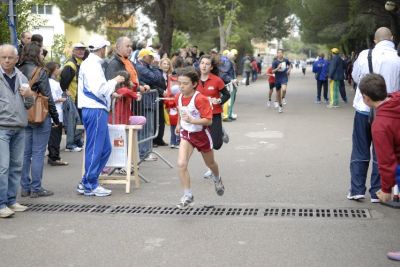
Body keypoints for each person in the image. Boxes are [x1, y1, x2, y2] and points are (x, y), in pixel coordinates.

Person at [348, 27, 400, 202]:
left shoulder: (364, 55)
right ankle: (378, 191)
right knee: (382, 151)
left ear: (375, 40)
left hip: (364, 108)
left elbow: (356, 77)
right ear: (392, 38)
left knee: (360, 149)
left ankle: (356, 190)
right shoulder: (398, 58)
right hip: (387, 112)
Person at [358, 74, 400, 261]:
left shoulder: (380, 125)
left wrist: (385, 189)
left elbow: (386, 161)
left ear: (366, 98)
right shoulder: (397, 99)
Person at [76, 37, 125, 197]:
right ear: (101, 48)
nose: (105, 51)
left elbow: (97, 89)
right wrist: (115, 81)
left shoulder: (89, 63)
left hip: (94, 109)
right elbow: (101, 89)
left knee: (103, 149)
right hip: (95, 109)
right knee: (97, 149)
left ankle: (88, 181)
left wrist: (110, 89)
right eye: (105, 48)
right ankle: (89, 183)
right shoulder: (93, 65)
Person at [175, 69, 224, 209]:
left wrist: (192, 121)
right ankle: (188, 195)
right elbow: (180, 110)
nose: (181, 86)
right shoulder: (178, 96)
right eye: (180, 83)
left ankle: (217, 178)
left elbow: (208, 121)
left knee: (211, 164)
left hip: (201, 134)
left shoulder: (200, 99)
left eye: (185, 83)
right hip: (187, 135)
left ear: (194, 84)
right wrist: (179, 124)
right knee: (181, 164)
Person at [18, 42, 60, 198]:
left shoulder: (17, 70)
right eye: (41, 52)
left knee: (25, 153)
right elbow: (47, 97)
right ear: (36, 54)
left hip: (23, 115)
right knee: (38, 153)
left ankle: (24, 187)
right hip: (40, 116)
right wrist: (56, 118)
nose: (43, 55)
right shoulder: (40, 71)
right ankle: (36, 188)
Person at [0, 44, 34, 218]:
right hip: (2, 128)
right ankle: (1, 204)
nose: (6, 60)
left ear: (17, 59)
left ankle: (11, 200)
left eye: (10, 57)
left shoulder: (21, 77)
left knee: (16, 167)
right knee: (2, 167)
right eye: (3, 57)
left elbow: (29, 104)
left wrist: (29, 96)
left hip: (19, 127)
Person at [105, 36, 141, 124]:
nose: (130, 49)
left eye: (131, 46)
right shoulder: (113, 64)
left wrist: (140, 87)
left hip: (128, 103)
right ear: (118, 47)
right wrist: (134, 92)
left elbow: (133, 79)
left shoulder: (129, 62)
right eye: (127, 46)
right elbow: (112, 84)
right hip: (119, 105)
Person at [60, 42, 87, 152]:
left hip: (79, 98)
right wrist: (66, 94)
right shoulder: (70, 65)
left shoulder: (80, 63)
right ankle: (70, 144)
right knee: (72, 122)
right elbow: (63, 82)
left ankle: (77, 141)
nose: (81, 51)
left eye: (82, 49)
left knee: (79, 121)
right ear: (73, 51)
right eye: (78, 49)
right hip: (71, 98)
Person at [46, 62, 68, 166]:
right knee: (55, 137)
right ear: (54, 70)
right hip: (56, 113)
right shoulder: (52, 83)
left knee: (55, 136)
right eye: (58, 68)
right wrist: (63, 99)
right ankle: (54, 157)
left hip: (55, 112)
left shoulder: (51, 82)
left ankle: (54, 156)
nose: (60, 70)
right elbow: (53, 98)